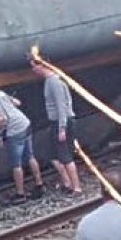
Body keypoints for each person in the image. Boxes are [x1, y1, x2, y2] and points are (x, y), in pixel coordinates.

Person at [0, 90, 44, 204]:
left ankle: (20, 194)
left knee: (16, 164)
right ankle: (39, 185)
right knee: (30, 156)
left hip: (14, 129)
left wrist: (0, 136)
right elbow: (17, 103)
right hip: (24, 122)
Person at [30, 61, 83, 195]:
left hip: (62, 121)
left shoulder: (54, 83)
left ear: (42, 65)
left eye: (34, 66)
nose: (33, 69)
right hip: (57, 122)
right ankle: (67, 183)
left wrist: (62, 128)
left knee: (65, 156)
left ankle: (76, 187)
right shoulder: (49, 81)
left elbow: (61, 106)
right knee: (53, 154)